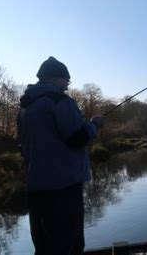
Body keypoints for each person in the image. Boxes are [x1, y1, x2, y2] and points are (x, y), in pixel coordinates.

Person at [17, 56, 103, 255]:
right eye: (66, 81)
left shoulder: (25, 108)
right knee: (70, 246)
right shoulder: (60, 101)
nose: (67, 86)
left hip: (36, 189)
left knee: (45, 247)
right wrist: (94, 124)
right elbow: (76, 139)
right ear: (56, 79)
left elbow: (23, 147)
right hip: (64, 189)